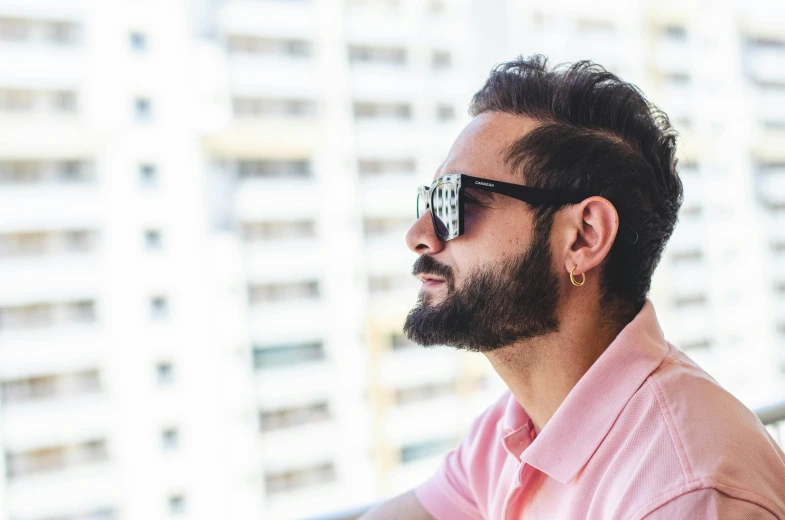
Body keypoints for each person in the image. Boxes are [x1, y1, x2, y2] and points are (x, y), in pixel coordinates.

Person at [359, 56, 785, 519]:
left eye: (456, 200)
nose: (419, 233)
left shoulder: (684, 493)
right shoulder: (513, 429)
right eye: (431, 198)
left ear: (583, 237)